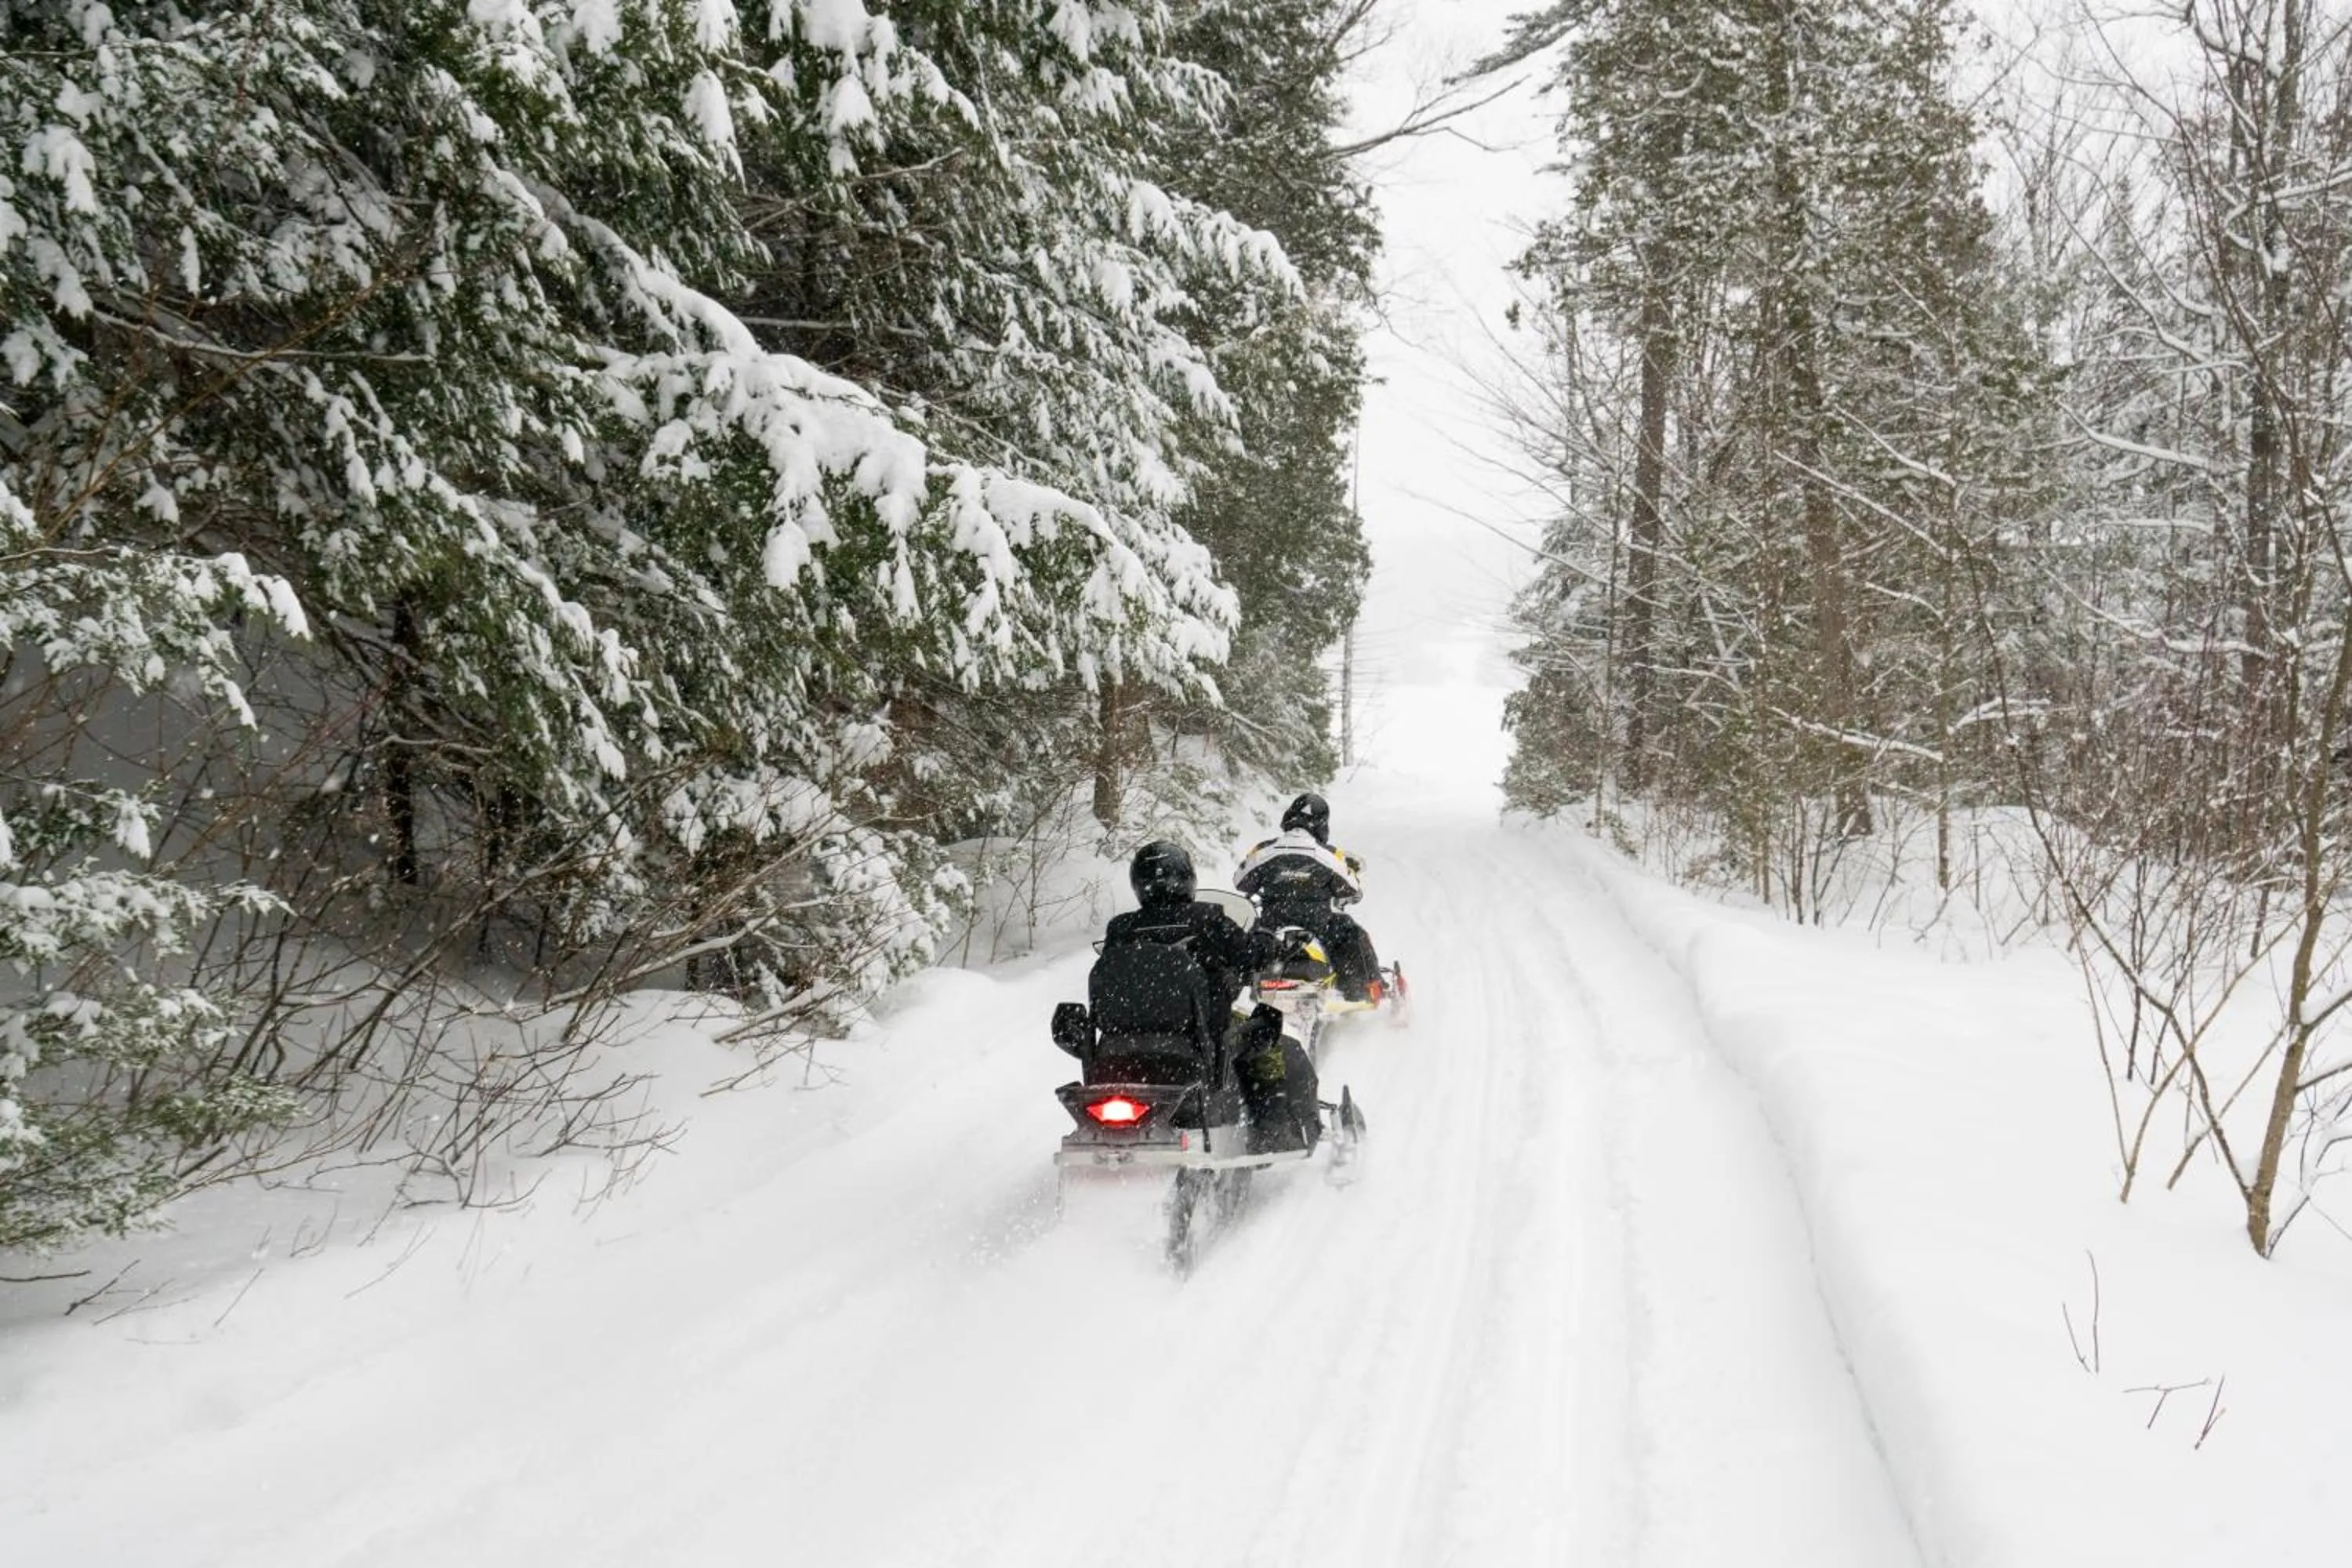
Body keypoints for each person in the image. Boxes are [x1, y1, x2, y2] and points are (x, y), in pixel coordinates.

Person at [1094, 840, 1321, 1151]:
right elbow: (1250, 954)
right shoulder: (1208, 920)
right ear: (1187, 878)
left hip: (1122, 1049)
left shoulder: (1120, 929)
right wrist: (1270, 943)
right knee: (1278, 1045)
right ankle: (1274, 1130)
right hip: (1205, 1040)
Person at [1235, 792, 1383, 1002]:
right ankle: (1361, 991)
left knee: (1240, 938)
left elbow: (1240, 881)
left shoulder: (1264, 850)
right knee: (1352, 934)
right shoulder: (1329, 855)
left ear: (1289, 817)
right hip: (1317, 924)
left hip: (1272, 925)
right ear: (1322, 824)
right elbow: (1351, 889)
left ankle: (1236, 986)